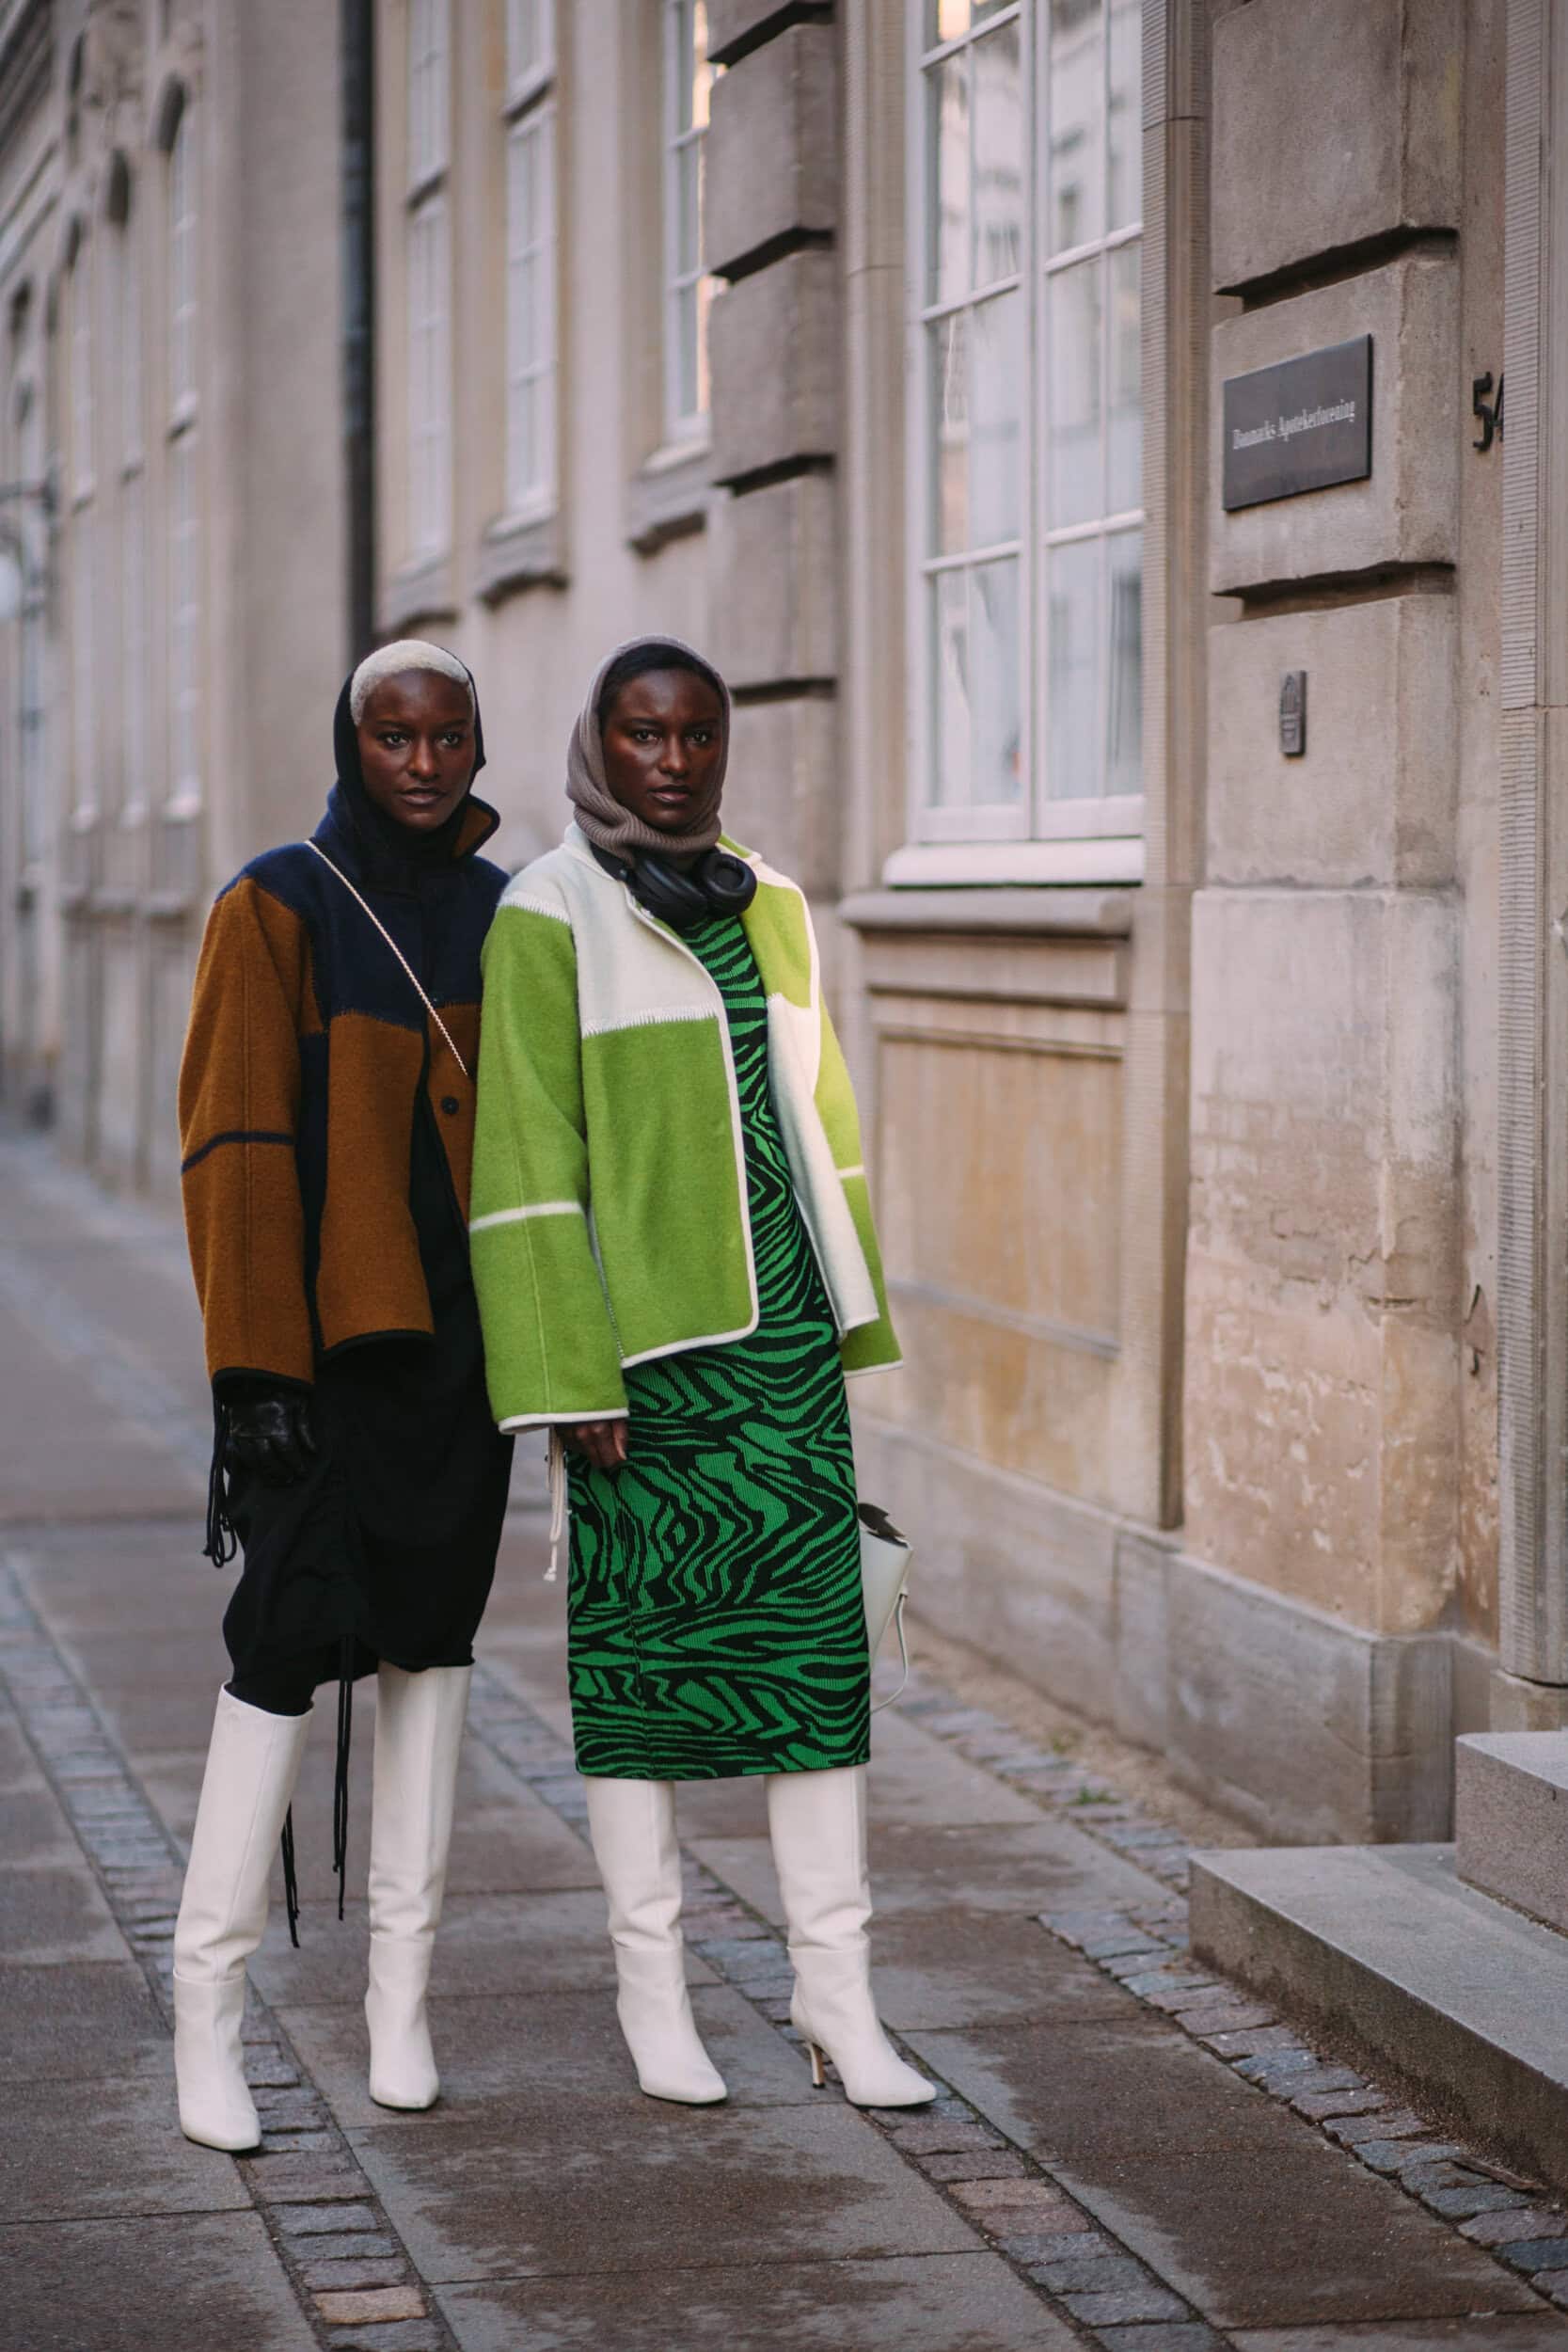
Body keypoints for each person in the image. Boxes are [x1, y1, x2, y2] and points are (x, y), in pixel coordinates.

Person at [469, 635, 932, 2109]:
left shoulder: (770, 900)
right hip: (641, 1369)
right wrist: (569, 1374)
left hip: (784, 1352)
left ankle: (838, 2002)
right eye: (644, 734)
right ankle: (653, 1998)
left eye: (697, 736)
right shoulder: (549, 909)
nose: (672, 761)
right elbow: (524, 1156)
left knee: (818, 1673)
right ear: (600, 744)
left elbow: (816, 1112)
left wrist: (843, 1309)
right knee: (639, 1679)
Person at [172, 639, 515, 2152]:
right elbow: (235, 1148)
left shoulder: (509, 915)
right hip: (315, 1374)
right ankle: (207, 2017)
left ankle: (401, 2011)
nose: (421, 763)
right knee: (279, 1661)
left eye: (445, 736)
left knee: (434, 1652)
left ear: (478, 746)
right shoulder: (275, 904)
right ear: (350, 743)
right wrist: (254, 1377)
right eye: (392, 736)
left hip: (460, 1363)